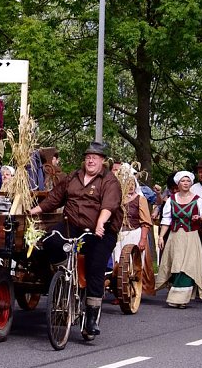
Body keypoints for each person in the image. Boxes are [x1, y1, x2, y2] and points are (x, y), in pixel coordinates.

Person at [29, 142, 122, 340]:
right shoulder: (73, 176)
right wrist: (33, 211)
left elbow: (109, 205)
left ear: (102, 161)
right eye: (88, 157)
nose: (91, 160)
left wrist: (100, 223)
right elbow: (54, 198)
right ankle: (64, 270)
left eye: (95, 157)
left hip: (101, 230)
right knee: (49, 240)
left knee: (95, 267)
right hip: (73, 225)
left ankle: (91, 320)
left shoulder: (109, 180)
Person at [156, 171, 202, 308]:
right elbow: (166, 220)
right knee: (176, 265)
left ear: (191, 183)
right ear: (178, 184)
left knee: (188, 266)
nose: (185, 183)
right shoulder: (171, 200)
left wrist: (199, 218)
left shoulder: (198, 199)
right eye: (183, 181)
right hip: (175, 237)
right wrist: (161, 237)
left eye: (188, 181)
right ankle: (177, 297)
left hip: (191, 236)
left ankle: (180, 299)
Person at [111, 163, 156, 298]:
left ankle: (133, 291)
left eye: (132, 183)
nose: (130, 186)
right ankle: (119, 292)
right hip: (119, 235)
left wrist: (143, 239)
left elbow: (145, 222)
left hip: (135, 234)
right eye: (127, 183)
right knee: (118, 264)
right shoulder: (117, 200)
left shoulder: (140, 199)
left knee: (134, 264)